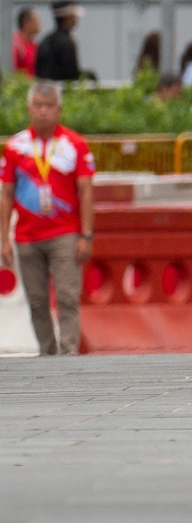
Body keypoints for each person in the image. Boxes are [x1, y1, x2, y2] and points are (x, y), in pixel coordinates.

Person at [0, 82, 96, 355]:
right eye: (38, 106)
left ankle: (68, 353)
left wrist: (86, 235)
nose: (43, 112)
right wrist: (4, 239)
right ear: (29, 108)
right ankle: (47, 352)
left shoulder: (75, 145)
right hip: (27, 236)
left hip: (64, 233)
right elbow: (5, 195)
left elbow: (86, 192)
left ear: (59, 109)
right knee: (37, 300)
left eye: (49, 106)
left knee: (67, 296)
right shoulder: (15, 147)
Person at [34, 1, 83, 81]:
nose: (76, 20)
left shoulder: (46, 40)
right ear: (67, 17)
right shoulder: (66, 42)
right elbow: (71, 73)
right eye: (74, 16)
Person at [12, 7, 40, 75]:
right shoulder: (16, 44)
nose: (39, 24)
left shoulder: (35, 45)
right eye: (36, 20)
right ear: (26, 22)